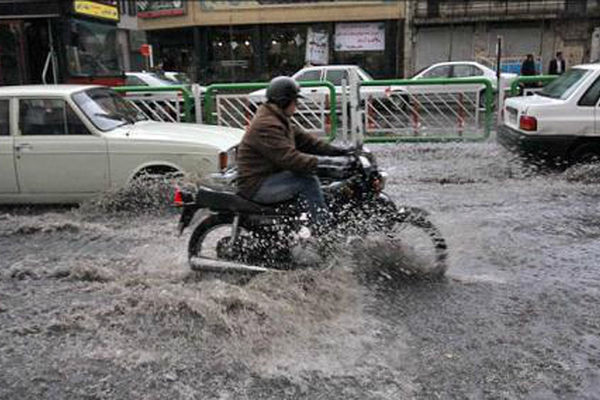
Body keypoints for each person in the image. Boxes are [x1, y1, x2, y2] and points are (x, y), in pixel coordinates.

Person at [236, 76, 351, 228]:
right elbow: (290, 159)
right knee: (307, 181)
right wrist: (327, 165)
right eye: (295, 101)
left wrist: (342, 152)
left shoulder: (279, 119)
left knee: (320, 181)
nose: (297, 105)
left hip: (271, 177)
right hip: (257, 185)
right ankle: (323, 231)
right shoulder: (267, 125)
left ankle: (301, 226)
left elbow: (309, 143)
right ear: (284, 101)